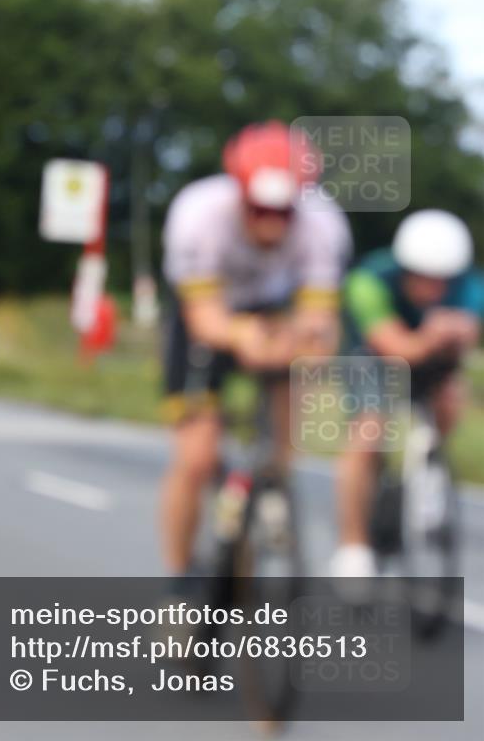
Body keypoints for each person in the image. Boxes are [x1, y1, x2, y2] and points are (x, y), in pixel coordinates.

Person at [159, 120, 352, 584]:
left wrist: (303, 344)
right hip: (208, 314)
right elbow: (205, 320)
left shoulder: (324, 224)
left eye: (283, 211)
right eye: (259, 208)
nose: (270, 221)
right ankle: (179, 582)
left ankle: (273, 483)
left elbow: (321, 324)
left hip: (276, 311)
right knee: (196, 459)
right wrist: (243, 337)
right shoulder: (199, 214)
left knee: (290, 421)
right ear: (240, 192)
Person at [332, 209, 484, 577]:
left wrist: (460, 335)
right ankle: (353, 545)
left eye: (442, 280)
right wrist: (434, 333)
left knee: (451, 397)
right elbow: (397, 346)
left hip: (431, 354)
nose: (433, 288)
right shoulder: (368, 280)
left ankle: (429, 467)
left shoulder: (472, 286)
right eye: (422, 278)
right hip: (373, 355)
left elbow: (468, 337)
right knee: (370, 431)